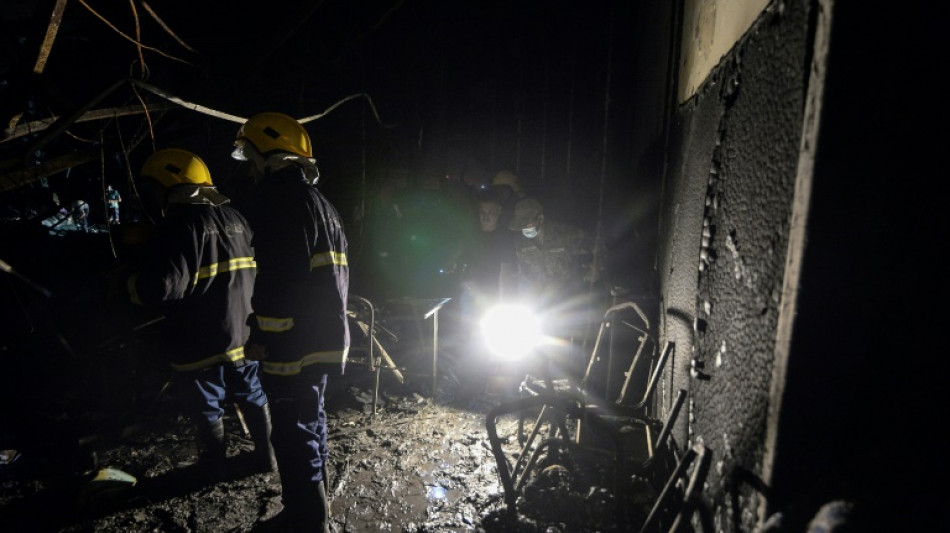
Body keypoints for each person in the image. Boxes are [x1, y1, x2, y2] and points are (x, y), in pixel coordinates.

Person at [124, 148, 274, 480]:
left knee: (207, 403)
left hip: (200, 339)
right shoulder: (237, 218)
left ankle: (213, 466)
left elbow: (161, 288)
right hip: (243, 333)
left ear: (168, 186)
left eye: (154, 190)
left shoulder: (177, 226)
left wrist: (131, 284)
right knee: (252, 393)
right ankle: (268, 457)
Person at [230, 112, 349, 532]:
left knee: (292, 434)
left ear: (268, 157)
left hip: (292, 344)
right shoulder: (322, 205)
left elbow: (281, 280)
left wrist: (263, 336)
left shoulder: (281, 204)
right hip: (320, 338)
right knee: (309, 425)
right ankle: (311, 512)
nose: (248, 168)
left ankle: (306, 521)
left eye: (250, 158)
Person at [507, 197, 602, 378]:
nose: (523, 228)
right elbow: (522, 273)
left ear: (540, 219)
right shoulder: (519, 242)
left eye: (526, 223)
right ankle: (538, 385)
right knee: (535, 349)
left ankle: (565, 386)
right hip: (538, 302)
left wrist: (595, 270)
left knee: (564, 348)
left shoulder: (567, 235)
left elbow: (596, 246)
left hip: (567, 298)